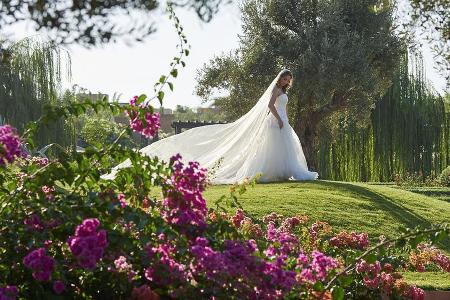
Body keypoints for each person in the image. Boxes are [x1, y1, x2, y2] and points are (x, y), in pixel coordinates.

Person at [103, 69, 319, 184]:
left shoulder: (286, 94)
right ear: (279, 79)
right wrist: (279, 119)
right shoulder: (275, 91)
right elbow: (270, 106)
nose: (285, 81)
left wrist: (286, 119)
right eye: (284, 78)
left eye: (288, 79)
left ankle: (285, 172)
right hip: (274, 120)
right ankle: (269, 172)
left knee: (285, 146)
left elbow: (284, 107)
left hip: (283, 120)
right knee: (272, 146)